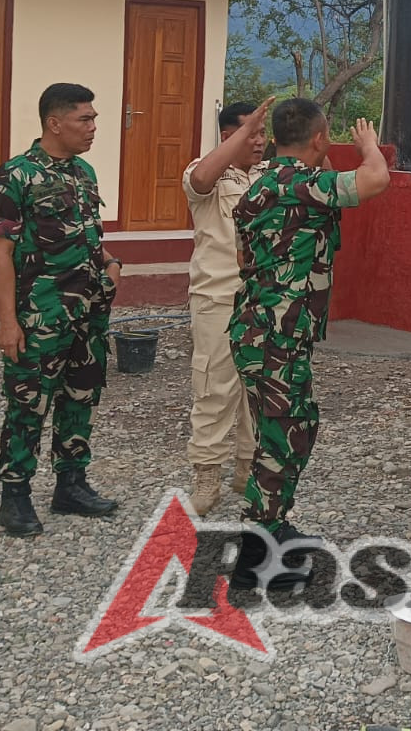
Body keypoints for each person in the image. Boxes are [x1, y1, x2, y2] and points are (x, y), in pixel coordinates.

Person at [228, 101, 390, 591]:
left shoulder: (260, 186)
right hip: (276, 336)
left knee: (292, 427)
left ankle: (273, 526)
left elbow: (244, 255)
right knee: (281, 437)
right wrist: (367, 147)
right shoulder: (302, 184)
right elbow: (376, 180)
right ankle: (257, 559)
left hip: (259, 330)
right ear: (320, 138)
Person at [0, 83, 121, 537]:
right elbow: (1, 253)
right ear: (54, 122)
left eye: (93, 118)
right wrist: (8, 322)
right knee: (28, 402)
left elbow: (87, 233)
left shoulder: (83, 172)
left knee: (81, 396)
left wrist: (110, 262)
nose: (93, 127)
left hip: (89, 309)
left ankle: (71, 483)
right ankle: (15, 495)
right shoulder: (16, 176)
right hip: (40, 313)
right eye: (85, 119)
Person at [181, 98, 274, 515]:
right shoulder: (206, 175)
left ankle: (246, 468)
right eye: (251, 132)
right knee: (214, 385)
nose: (259, 140)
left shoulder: (273, 176)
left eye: (262, 132)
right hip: (219, 297)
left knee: (262, 388)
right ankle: (206, 473)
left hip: (265, 298)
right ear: (227, 136)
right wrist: (242, 133)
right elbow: (201, 177)